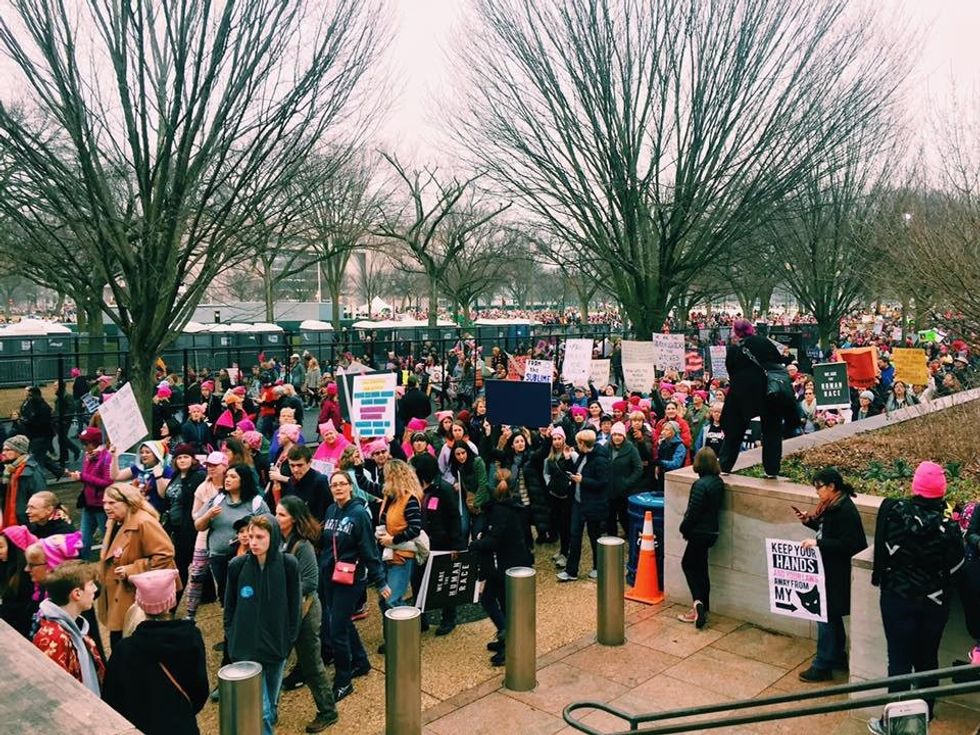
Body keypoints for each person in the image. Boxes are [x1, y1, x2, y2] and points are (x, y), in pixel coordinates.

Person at [867, 461, 965, 733]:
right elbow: (957, 568)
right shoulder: (949, 528)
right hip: (932, 603)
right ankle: (925, 717)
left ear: (915, 486)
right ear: (941, 492)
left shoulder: (893, 512)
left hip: (897, 597)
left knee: (897, 660)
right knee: (927, 660)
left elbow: (882, 554)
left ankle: (893, 723)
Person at [102, 569, 209, 735]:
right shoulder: (191, 637)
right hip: (182, 725)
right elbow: (200, 689)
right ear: (172, 601)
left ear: (140, 603)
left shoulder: (124, 649)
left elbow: (113, 698)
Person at [225, 514, 300, 735]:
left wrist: (289, 639)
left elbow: (294, 607)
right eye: (251, 536)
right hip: (246, 648)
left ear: (273, 537)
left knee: (272, 702)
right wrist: (231, 635)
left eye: (260, 537)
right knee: (263, 710)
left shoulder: (288, 565)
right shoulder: (237, 565)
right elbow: (229, 606)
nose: (254, 542)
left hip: (276, 646)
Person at [320, 471, 391, 702]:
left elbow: (369, 549)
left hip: (350, 578)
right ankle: (360, 661)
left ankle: (343, 681)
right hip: (330, 575)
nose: (338, 488)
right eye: (334, 485)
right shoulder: (331, 510)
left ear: (350, 487)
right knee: (341, 621)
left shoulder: (359, 514)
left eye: (342, 484)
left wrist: (380, 581)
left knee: (336, 628)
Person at [794, 468, 868, 682]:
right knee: (830, 616)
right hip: (831, 570)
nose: (817, 492)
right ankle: (836, 656)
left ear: (832, 486)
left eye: (819, 487)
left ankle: (823, 664)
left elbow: (851, 544)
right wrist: (809, 522)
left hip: (837, 572)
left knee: (825, 617)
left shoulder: (844, 510)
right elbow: (828, 531)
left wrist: (818, 542)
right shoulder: (834, 506)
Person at [275, 497, 339, 733]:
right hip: (285, 611)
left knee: (311, 663)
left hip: (305, 612)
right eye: (276, 513)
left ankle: (328, 711)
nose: (276, 517)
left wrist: (280, 589)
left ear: (294, 518)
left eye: (281, 514)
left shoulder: (302, 546)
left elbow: (311, 582)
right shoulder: (277, 541)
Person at [98, 483, 178, 647]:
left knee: (127, 642)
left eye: (112, 503)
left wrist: (132, 570)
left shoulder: (143, 522)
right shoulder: (115, 522)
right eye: (105, 502)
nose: (106, 507)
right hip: (122, 593)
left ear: (128, 502)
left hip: (136, 595)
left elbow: (165, 553)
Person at [470, 468, 533, 665]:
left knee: (489, 599)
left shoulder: (499, 511)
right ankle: (506, 637)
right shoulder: (514, 506)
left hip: (503, 564)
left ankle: (507, 639)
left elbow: (494, 540)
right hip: (514, 562)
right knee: (504, 603)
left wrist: (476, 544)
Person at [717, 320, 796, 478]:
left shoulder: (734, 350)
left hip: (742, 393)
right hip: (768, 391)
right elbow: (777, 360)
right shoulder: (763, 341)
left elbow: (730, 371)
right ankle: (771, 470)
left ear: (736, 332)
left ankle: (725, 466)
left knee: (735, 430)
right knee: (772, 430)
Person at [194, 463, 270, 606]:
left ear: (244, 480)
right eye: (226, 476)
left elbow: (269, 528)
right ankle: (230, 625)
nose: (227, 479)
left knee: (246, 594)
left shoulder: (256, 503)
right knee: (226, 595)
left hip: (247, 557)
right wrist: (208, 515)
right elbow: (198, 526)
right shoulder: (217, 500)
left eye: (233, 476)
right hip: (218, 557)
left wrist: (251, 535)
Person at [32, 560, 104, 694]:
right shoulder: (53, 638)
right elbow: (55, 691)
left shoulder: (74, 627)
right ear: (77, 593)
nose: (95, 589)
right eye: (91, 585)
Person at [412, 453, 463, 636]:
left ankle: (449, 618)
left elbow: (454, 518)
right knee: (417, 581)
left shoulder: (444, 489)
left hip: (442, 543)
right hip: (422, 544)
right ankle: (421, 618)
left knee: (444, 582)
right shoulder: (416, 489)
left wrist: (456, 545)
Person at [677, 448, 725, 629]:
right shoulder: (718, 482)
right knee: (702, 568)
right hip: (711, 532)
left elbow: (693, 512)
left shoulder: (700, 485)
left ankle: (698, 604)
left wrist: (684, 527)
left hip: (698, 533)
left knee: (688, 565)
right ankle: (704, 606)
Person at [557, 429, 610, 583]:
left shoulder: (600, 459)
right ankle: (571, 571)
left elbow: (603, 482)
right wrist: (568, 460)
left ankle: (598, 567)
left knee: (594, 537)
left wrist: (583, 481)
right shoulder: (583, 455)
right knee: (575, 536)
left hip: (593, 504)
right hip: (578, 502)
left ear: (582, 443)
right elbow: (576, 472)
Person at [377, 459, 424, 620]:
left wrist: (393, 539)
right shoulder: (392, 497)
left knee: (391, 600)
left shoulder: (409, 499)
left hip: (402, 556)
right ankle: (393, 638)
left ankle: (402, 637)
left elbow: (415, 528)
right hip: (390, 554)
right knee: (386, 600)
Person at [183, 452, 227, 621]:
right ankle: (190, 612)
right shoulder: (202, 488)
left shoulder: (231, 483)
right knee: (196, 573)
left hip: (224, 537)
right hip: (204, 535)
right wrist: (207, 516)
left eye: (215, 465)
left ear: (224, 466)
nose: (211, 469)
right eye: (208, 465)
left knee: (224, 577)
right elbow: (195, 515)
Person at [162, 445, 207, 595]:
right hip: (174, 523)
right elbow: (168, 497)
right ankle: (208, 593)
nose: (182, 460)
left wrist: (184, 479)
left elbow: (192, 498)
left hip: (189, 525)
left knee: (183, 562)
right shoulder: (175, 476)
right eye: (179, 457)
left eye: (186, 457)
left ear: (193, 459)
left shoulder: (198, 476)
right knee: (191, 560)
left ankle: (176, 596)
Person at [68, 427, 112, 559]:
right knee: (83, 540)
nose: (85, 447)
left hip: (101, 505)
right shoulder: (88, 457)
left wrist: (82, 477)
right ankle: (83, 568)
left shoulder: (106, 457)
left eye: (88, 443)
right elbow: (87, 476)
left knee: (108, 538)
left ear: (96, 442)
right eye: (84, 444)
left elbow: (107, 482)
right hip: (89, 503)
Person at [540, 426, 575, 569]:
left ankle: (566, 554)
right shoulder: (549, 458)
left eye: (559, 438)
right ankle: (562, 550)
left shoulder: (571, 455)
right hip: (555, 495)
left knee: (566, 526)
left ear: (564, 439)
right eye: (554, 439)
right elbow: (546, 473)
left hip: (567, 496)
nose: (557, 441)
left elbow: (575, 470)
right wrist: (549, 484)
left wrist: (567, 459)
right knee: (558, 524)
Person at [111, 440, 174, 515]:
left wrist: (158, 477)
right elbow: (116, 476)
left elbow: (163, 494)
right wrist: (114, 457)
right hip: (137, 512)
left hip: (155, 514)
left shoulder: (166, 470)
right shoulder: (138, 468)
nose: (144, 455)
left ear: (156, 454)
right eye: (141, 452)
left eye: (147, 452)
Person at [15, 386, 64, 479]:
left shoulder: (42, 407)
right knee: (41, 456)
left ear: (34, 394)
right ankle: (59, 471)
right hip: (35, 435)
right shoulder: (31, 404)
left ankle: (39, 478)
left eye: (29, 394)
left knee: (35, 458)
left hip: (40, 435)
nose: (27, 395)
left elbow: (42, 422)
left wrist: (27, 421)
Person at [1, 434, 48, 527]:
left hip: (26, 524)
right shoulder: (10, 470)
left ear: (19, 452)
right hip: (14, 521)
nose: (3, 453)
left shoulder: (31, 473)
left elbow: (41, 500)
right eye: (3, 449)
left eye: (7, 450)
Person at [606, 422, 643, 537]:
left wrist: (627, 482)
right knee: (609, 518)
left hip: (624, 491)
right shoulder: (606, 447)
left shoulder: (631, 449)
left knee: (625, 517)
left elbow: (638, 469)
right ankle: (612, 540)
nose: (617, 437)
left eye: (620, 435)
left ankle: (632, 538)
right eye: (615, 434)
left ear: (624, 436)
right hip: (609, 490)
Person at [0, 525, 36, 636]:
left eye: (1, 547)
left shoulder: (27, 575)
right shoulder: (5, 566)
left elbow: (20, 610)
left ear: (13, 547)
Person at [282, 444, 332, 522]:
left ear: (309, 463)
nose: (295, 469)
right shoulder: (291, 481)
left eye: (300, 465)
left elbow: (325, 512)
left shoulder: (320, 481)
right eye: (292, 465)